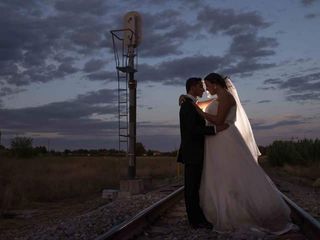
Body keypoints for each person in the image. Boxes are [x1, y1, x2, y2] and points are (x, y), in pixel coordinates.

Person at [195, 72, 294, 234]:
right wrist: (188, 100)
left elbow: (219, 120)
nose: (206, 89)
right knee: (221, 174)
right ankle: (223, 210)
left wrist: (200, 113)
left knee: (232, 174)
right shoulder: (218, 98)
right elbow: (200, 103)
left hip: (225, 139)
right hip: (217, 140)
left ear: (215, 84)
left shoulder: (226, 97)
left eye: (207, 85)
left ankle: (238, 213)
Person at [177, 77, 228, 229]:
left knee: (194, 187)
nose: (204, 89)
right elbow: (193, 130)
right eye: (200, 86)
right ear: (192, 87)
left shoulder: (191, 103)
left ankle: (197, 218)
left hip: (195, 152)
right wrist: (214, 129)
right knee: (191, 188)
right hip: (192, 153)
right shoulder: (187, 106)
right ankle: (195, 220)